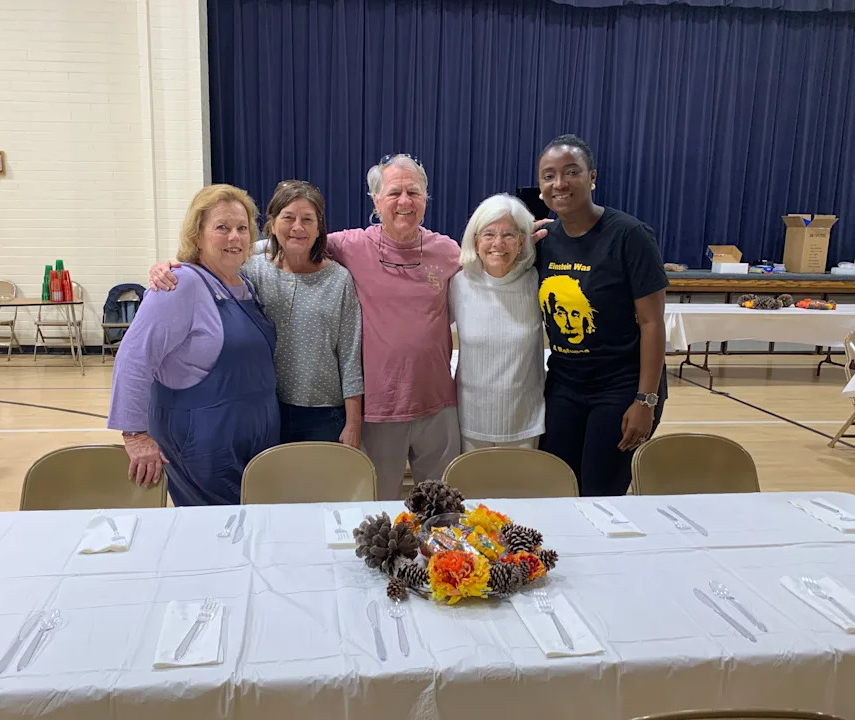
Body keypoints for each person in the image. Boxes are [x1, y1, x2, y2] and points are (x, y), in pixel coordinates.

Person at [151, 157, 551, 500]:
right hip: (380, 409)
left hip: (439, 407)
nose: (404, 201)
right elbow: (288, 241)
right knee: (376, 505)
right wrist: (182, 263)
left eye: (413, 192)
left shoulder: (448, 252)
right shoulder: (350, 246)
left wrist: (529, 239)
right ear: (376, 201)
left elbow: (495, 255)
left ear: (426, 199)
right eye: (393, 193)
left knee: (442, 505)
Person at [107, 184, 279, 506]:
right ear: (197, 236)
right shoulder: (180, 283)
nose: (234, 237)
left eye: (242, 229)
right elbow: (134, 356)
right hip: (204, 446)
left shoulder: (244, 285)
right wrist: (135, 434)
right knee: (218, 535)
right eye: (222, 228)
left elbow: (289, 241)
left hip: (253, 442)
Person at [535, 134, 668, 496]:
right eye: (548, 175)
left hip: (621, 387)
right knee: (556, 487)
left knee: (599, 491)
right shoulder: (543, 239)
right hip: (565, 384)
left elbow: (652, 322)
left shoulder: (630, 236)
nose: (559, 183)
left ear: (592, 177)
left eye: (571, 172)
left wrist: (646, 400)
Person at [241, 180, 364, 446]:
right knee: (274, 486)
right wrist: (172, 267)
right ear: (272, 223)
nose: (297, 227)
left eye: (307, 219)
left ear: (319, 228)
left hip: (324, 413)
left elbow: (350, 355)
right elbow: (211, 266)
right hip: (266, 407)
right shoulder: (252, 271)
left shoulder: (339, 280)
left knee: (322, 487)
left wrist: (353, 424)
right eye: (288, 218)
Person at [449, 194, 545, 452]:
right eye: (489, 234)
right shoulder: (458, 284)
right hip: (470, 420)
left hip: (525, 420)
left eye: (509, 235)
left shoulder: (536, 282)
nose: (498, 244)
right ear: (476, 239)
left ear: (522, 240)